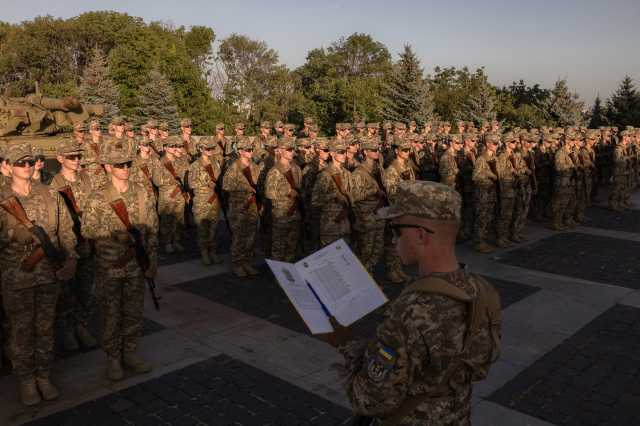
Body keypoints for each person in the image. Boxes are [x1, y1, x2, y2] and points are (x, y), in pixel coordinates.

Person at [323, 180, 500, 425]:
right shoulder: (481, 290)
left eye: (396, 230)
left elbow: (369, 399)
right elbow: (478, 367)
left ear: (420, 235)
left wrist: (344, 344)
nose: (393, 240)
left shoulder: (410, 312)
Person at [0, 143, 77, 405]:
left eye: (30, 162)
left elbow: (66, 230)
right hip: (16, 279)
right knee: (21, 330)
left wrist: (71, 258)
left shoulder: (50, 194)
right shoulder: (2, 199)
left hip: (48, 276)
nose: (26, 166)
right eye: (20, 162)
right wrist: (14, 234)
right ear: (7, 166)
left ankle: (43, 375)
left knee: (45, 328)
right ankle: (26, 381)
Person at [82, 141, 158, 381]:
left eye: (127, 164)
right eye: (119, 165)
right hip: (110, 266)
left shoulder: (142, 192)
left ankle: (130, 352)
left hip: (136, 265)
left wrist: (152, 261)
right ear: (106, 166)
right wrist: (115, 232)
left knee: (134, 312)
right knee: (111, 313)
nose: (125, 168)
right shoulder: (97, 196)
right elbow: (87, 229)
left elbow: (153, 228)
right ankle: (113, 357)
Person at [51, 140, 98, 351]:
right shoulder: (53, 184)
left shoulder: (87, 179)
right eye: (71, 157)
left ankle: (81, 327)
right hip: (68, 246)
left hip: (88, 243)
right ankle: (68, 331)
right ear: (60, 158)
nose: (77, 160)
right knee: (66, 293)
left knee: (86, 291)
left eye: (78, 156)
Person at [222, 136, 262, 277]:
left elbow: (259, 183)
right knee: (239, 237)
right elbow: (226, 186)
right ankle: (238, 264)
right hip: (238, 208)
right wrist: (245, 188)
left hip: (252, 207)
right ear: (240, 151)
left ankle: (247, 262)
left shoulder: (255, 166)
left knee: (251, 237)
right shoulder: (233, 168)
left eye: (251, 149)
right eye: (247, 150)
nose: (250, 152)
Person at [264, 136, 303, 262]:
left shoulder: (296, 168)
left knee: (292, 245)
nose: (292, 152)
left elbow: (300, 188)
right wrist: (287, 192)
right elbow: (269, 193)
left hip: (295, 212)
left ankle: (290, 272)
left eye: (293, 149)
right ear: (280, 150)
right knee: (279, 246)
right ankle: (278, 275)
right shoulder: (274, 171)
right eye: (289, 149)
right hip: (282, 214)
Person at [189, 138, 223, 265]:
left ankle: (213, 252)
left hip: (214, 200)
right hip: (202, 201)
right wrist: (207, 181)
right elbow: (191, 184)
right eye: (207, 149)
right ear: (201, 149)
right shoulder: (195, 165)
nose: (210, 151)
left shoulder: (215, 162)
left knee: (214, 228)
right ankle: (204, 253)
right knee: (203, 229)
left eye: (212, 148)